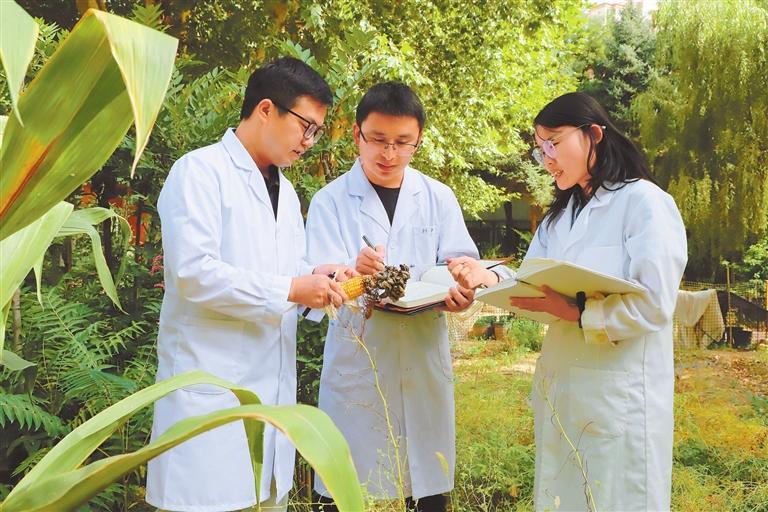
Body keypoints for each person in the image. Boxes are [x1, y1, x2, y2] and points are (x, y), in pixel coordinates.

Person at [448, 92, 687, 511]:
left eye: (554, 143)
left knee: (615, 498)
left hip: (621, 395)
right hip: (563, 387)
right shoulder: (559, 216)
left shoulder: (645, 203)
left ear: (593, 134)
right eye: (540, 149)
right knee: (564, 495)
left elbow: (655, 303)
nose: (547, 159)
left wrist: (577, 312)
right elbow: (530, 280)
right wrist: (488, 277)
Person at [145, 57, 355, 512]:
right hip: (211, 403)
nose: (309, 141)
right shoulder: (200, 172)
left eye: (316, 131)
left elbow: (287, 270)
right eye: (305, 126)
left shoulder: (286, 191)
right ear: (265, 109)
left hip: (270, 406)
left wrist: (322, 277)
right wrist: (291, 289)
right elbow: (192, 273)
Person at [304, 82, 502, 511]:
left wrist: (464, 294)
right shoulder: (329, 201)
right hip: (360, 361)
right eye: (377, 140)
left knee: (426, 489)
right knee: (348, 490)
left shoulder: (437, 197)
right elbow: (318, 278)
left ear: (418, 141)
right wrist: (351, 269)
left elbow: (462, 264)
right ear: (357, 134)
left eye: (402, 142)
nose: (389, 153)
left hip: (422, 356)